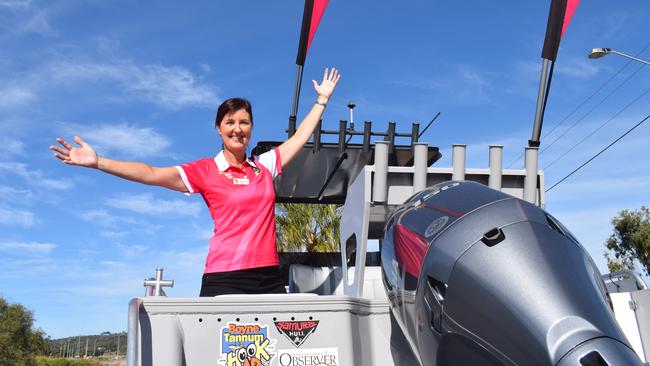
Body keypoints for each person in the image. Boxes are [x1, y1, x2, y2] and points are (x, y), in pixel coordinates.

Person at [51, 68, 341, 296]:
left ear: (251, 128)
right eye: (230, 122)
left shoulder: (264, 165)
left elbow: (300, 136)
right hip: (224, 278)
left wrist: (322, 100)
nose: (237, 129)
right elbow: (151, 173)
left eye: (244, 122)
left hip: (268, 275)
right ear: (218, 128)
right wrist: (99, 161)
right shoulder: (204, 170)